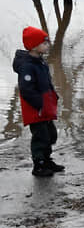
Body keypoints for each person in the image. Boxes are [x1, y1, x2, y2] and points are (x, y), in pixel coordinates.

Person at [14, 26, 63, 177]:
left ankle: (46, 160)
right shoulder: (27, 66)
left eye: (48, 43)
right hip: (36, 109)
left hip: (45, 106)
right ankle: (39, 165)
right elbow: (26, 90)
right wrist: (39, 105)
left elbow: (46, 83)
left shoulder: (40, 62)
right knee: (40, 136)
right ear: (34, 46)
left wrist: (53, 96)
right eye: (45, 43)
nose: (48, 46)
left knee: (50, 135)